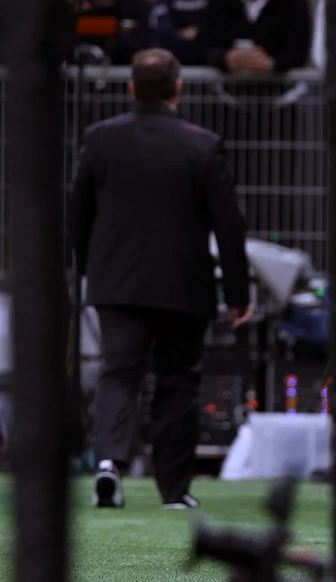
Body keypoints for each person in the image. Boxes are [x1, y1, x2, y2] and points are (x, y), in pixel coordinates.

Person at [71, 48, 252, 510]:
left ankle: (109, 463)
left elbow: (77, 215)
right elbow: (228, 227)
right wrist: (237, 293)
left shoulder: (99, 139)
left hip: (117, 285)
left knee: (118, 373)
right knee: (177, 383)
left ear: (131, 87)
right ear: (179, 87)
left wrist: (86, 269)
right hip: (182, 286)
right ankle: (174, 489)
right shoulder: (202, 145)